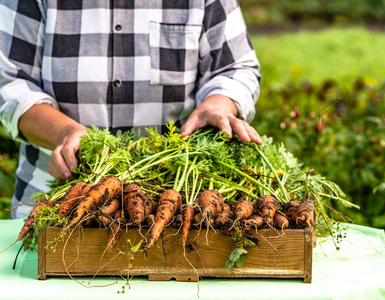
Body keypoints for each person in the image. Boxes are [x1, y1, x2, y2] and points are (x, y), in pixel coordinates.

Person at [0, 0, 262, 219]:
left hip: (171, 210)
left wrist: (217, 103)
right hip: (57, 205)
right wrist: (64, 132)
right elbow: (9, 82)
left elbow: (236, 68)